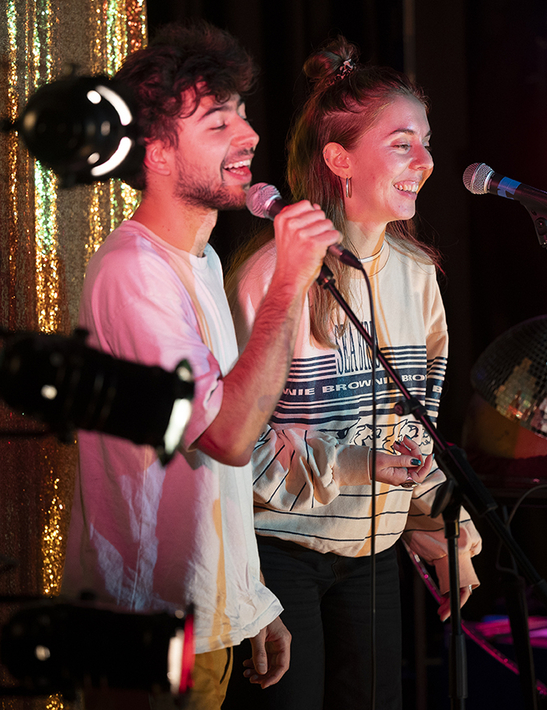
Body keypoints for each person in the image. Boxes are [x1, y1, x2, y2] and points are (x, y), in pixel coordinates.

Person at [61, 21, 343, 709]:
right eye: (218, 123)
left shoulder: (202, 260)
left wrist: (247, 602)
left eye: (242, 114)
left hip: (204, 618)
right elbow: (226, 434)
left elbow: (211, 467)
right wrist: (288, 285)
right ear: (156, 150)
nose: (247, 136)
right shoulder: (135, 272)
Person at [223, 37, 481, 710]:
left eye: (425, 141)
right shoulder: (269, 277)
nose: (424, 161)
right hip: (278, 549)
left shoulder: (418, 275)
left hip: (371, 550)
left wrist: (443, 523)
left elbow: (415, 430)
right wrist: (353, 462)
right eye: (402, 143)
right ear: (340, 159)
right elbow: (236, 452)